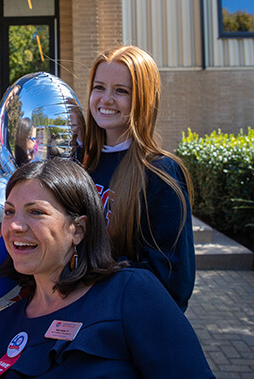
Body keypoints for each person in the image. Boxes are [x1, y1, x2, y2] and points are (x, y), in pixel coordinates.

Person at [0, 159, 213, 378]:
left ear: (78, 230)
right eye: (9, 211)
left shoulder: (131, 294)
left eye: (36, 212)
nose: (15, 226)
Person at [82, 45, 196, 310]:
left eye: (121, 91)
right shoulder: (81, 163)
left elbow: (173, 279)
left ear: (143, 99)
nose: (106, 99)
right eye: (99, 87)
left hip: (120, 322)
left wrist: (89, 275)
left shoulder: (160, 172)